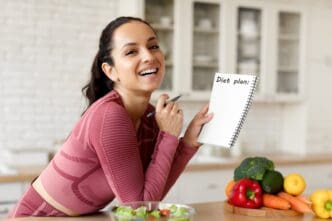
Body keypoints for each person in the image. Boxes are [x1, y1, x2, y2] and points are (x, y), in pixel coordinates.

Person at [7, 16, 213, 218]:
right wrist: (168, 135)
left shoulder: (150, 117)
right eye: (132, 51)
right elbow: (139, 207)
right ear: (110, 70)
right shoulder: (110, 116)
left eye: (153, 46)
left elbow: (150, 197)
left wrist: (187, 142)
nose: (149, 56)